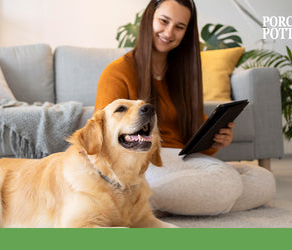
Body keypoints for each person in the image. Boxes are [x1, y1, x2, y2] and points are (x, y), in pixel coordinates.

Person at [94, 0, 275, 215]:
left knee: (263, 179)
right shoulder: (117, 72)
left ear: (186, 33)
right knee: (226, 183)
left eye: (179, 27)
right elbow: (106, 139)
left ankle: (157, 205)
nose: (169, 32)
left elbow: (195, 137)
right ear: (148, 19)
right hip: (146, 162)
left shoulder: (183, 74)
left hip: (184, 160)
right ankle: (142, 202)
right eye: (163, 21)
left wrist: (217, 139)